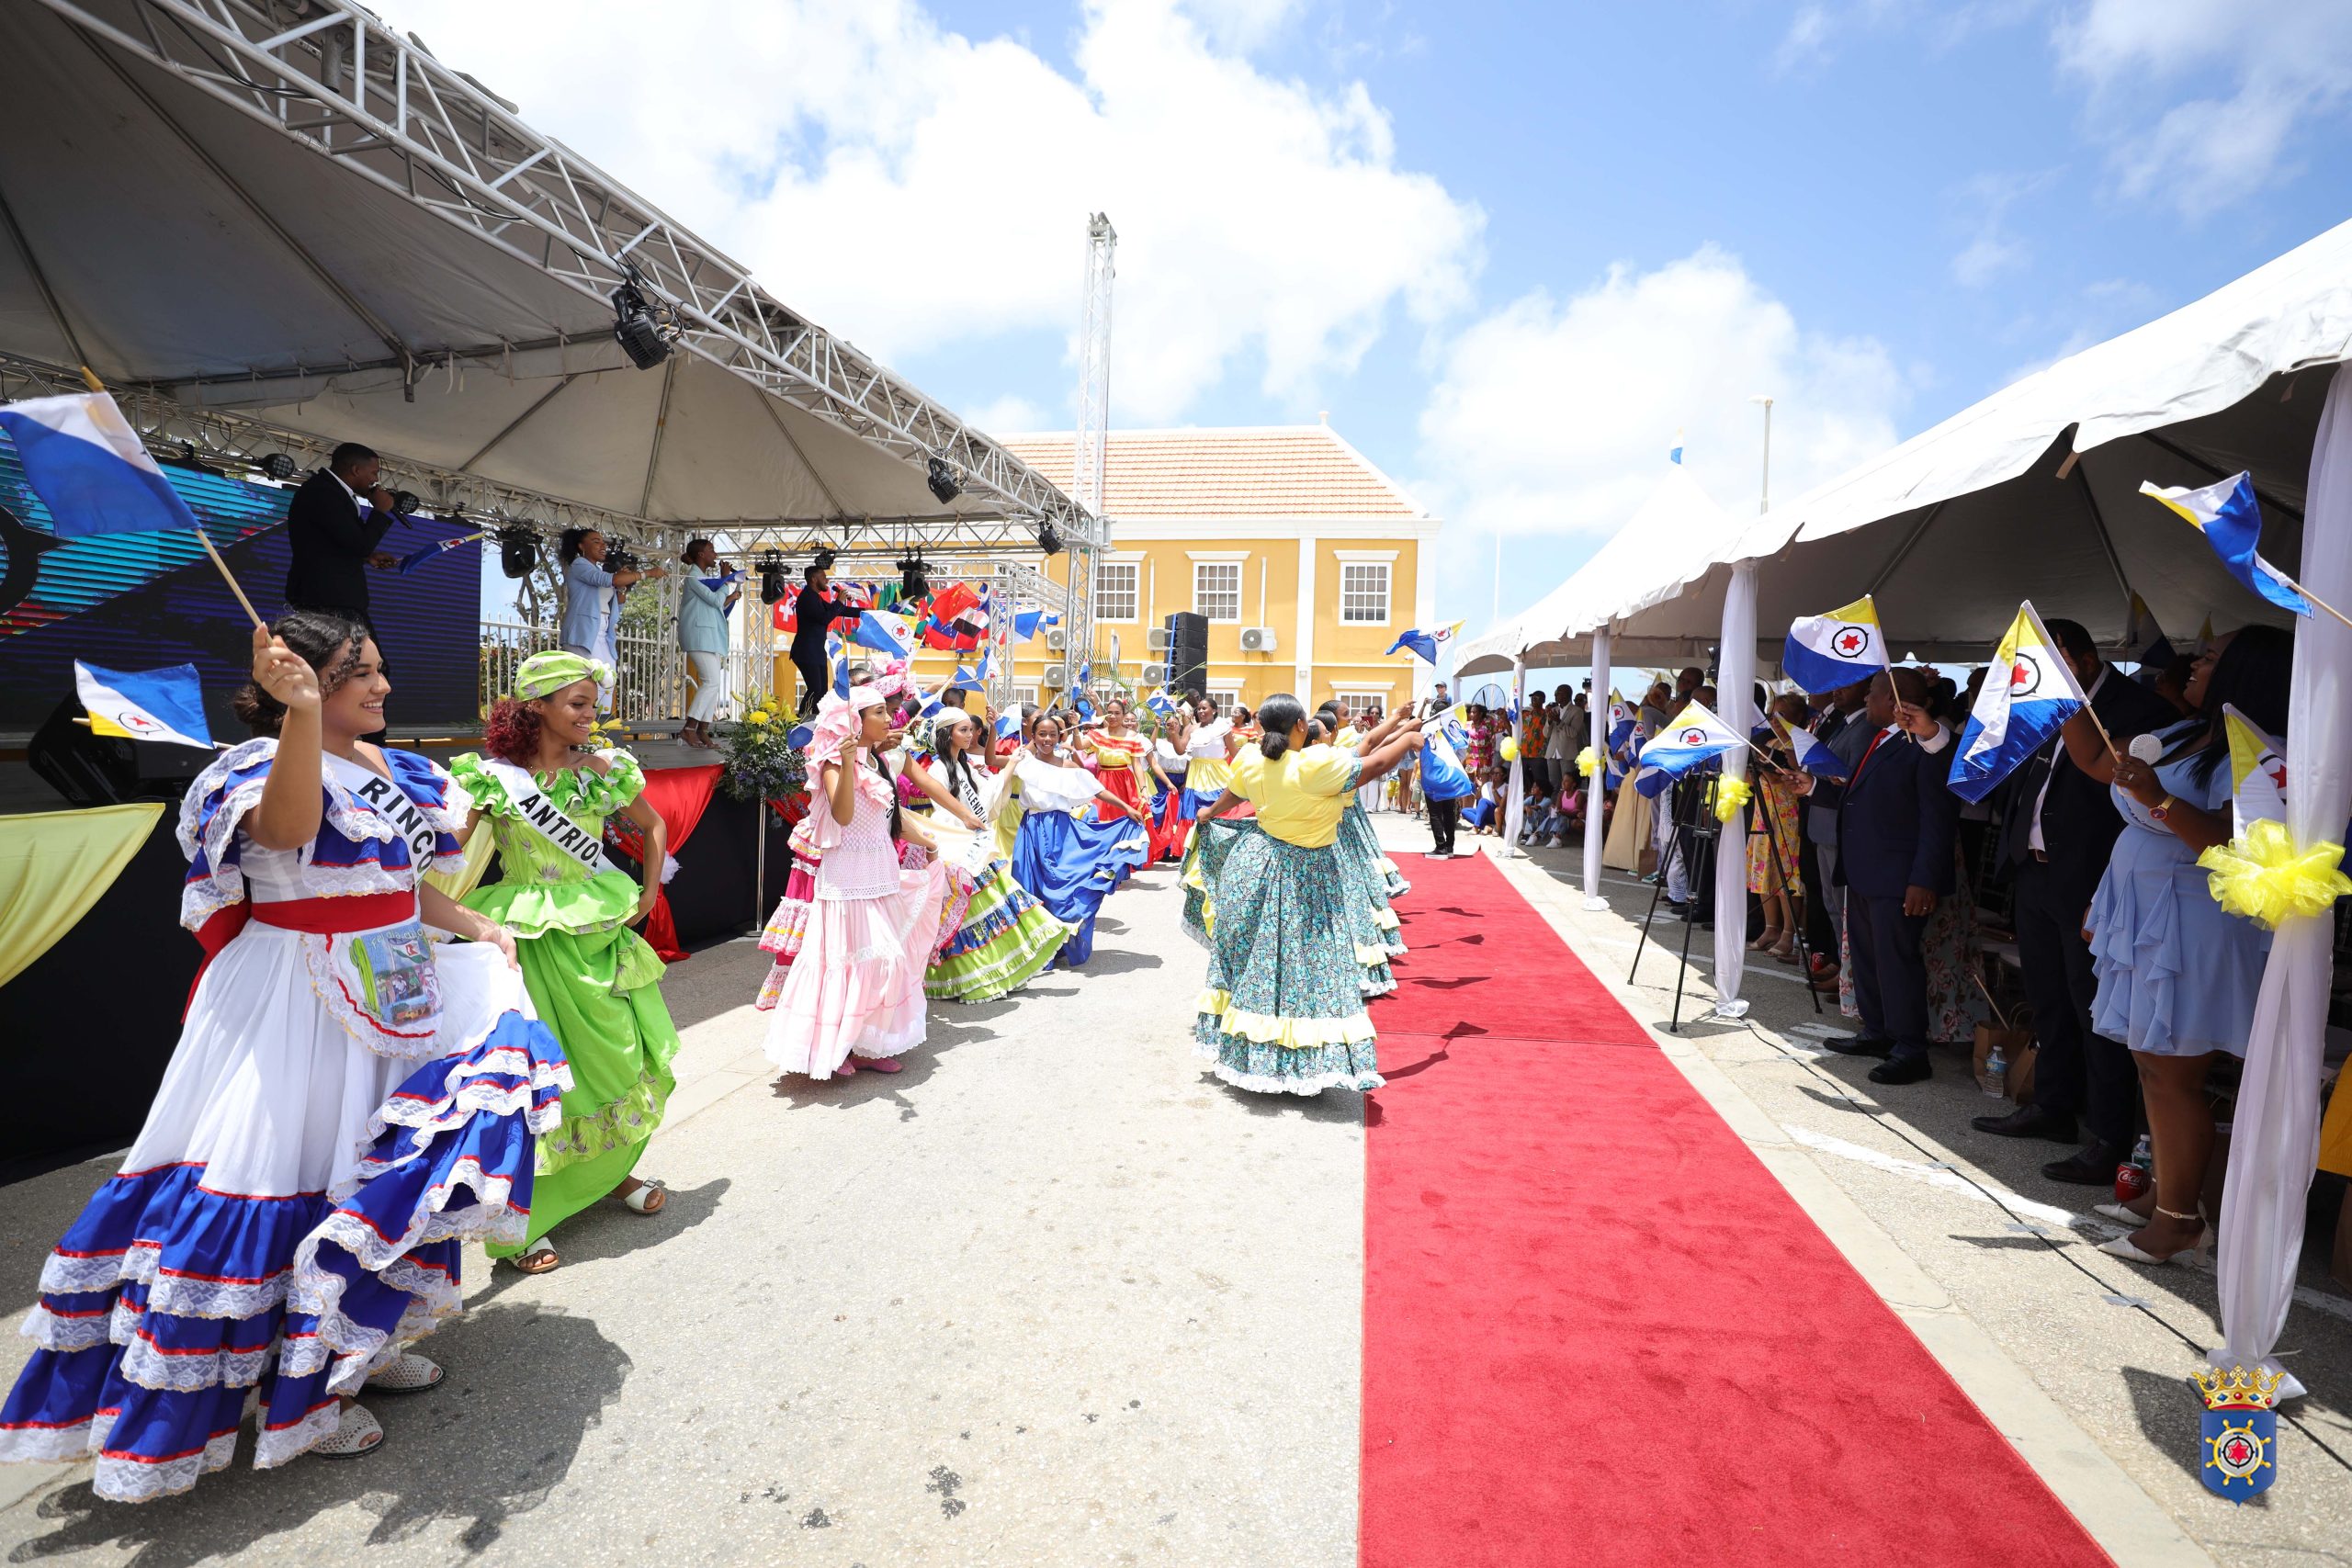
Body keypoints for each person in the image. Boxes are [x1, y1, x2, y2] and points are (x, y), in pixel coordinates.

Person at [2, 614, 571, 1493]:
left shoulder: (399, 769)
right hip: (298, 998)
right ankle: (286, 1394)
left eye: (380, 669)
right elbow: (286, 833)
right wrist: (300, 716)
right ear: (294, 683)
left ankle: (355, 1344)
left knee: (372, 1170)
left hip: (395, 987)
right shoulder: (259, 766)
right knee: (286, 1174)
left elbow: (397, 885)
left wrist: (476, 922)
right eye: (359, 674)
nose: (381, 686)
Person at [2060, 626, 2290, 1264]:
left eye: (2211, 659)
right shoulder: (2192, 734)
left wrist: (2158, 798)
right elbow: (2096, 762)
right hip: (2150, 914)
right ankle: (2167, 1193)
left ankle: (2180, 1221)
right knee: (2152, 1062)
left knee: (2173, 1070)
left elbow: (2233, 844)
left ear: (2246, 674)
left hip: (2195, 922)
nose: (2192, 663)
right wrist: (2061, 695)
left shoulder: (2260, 753)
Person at [450, 653, 681, 1274]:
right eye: (576, 703)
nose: (590, 715)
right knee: (541, 1077)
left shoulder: (604, 771)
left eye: (592, 704)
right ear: (537, 708)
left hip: (594, 929)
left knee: (615, 1058)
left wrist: (651, 892)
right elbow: (448, 851)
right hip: (527, 937)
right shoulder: (491, 778)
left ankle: (609, 1173)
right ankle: (520, 1222)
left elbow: (653, 827)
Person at [1972, 616, 2179, 1182]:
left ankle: (2108, 1137)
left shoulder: (2140, 712)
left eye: (2052, 658)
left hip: (2092, 881)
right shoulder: (2041, 703)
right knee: (2049, 999)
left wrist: (2106, 891)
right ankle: (2052, 1106)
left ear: (2084, 659)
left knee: (2096, 1012)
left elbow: (2129, 804)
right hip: (2036, 872)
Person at [1188, 694, 1421, 1095]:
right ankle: (1301, 1061)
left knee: (1262, 960)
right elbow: (1376, 764)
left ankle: (1256, 1052)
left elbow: (1236, 792)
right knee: (1311, 965)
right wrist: (1409, 740)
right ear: (1301, 726)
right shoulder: (1313, 764)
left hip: (1258, 862)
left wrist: (1212, 811)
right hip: (1306, 873)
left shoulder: (1251, 758)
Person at [760, 672, 954, 1078]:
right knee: (853, 962)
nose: (890, 718)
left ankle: (866, 1043)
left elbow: (890, 821)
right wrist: (847, 762)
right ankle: (840, 1047)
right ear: (855, 722)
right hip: (846, 879)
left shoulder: (878, 760)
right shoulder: (833, 762)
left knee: (883, 960)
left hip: (879, 871)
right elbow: (843, 815)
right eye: (880, 712)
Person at [1815, 668, 1958, 1086]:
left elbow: (1938, 816)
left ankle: (1910, 1048)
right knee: (1868, 958)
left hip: (1899, 876)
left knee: (1897, 963)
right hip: (1866, 870)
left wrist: (1924, 878)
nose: (1866, 702)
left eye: (1873, 695)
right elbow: (1857, 797)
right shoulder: (1883, 738)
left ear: (1898, 702)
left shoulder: (1926, 743)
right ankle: (1877, 1030)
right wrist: (1810, 789)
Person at [911, 709, 1072, 1001]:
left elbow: (986, 797)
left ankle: (999, 969)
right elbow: (971, 806)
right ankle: (971, 976)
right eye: (963, 730)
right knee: (969, 917)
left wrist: (1011, 765)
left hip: (972, 843)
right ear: (947, 733)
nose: (970, 735)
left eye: (970, 730)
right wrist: (1010, 764)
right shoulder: (938, 770)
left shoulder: (964, 766)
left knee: (995, 908)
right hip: (956, 847)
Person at [282, 442, 399, 620]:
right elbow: (360, 545)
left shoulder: (332, 491)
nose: (375, 480)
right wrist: (380, 511)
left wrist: (366, 557)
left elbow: (331, 541)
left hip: (334, 599)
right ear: (356, 470)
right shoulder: (322, 492)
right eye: (374, 472)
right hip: (327, 599)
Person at [559, 530, 663, 712]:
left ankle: (600, 732)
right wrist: (646, 574)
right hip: (583, 632)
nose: (603, 545)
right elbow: (609, 580)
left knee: (608, 682)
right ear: (581, 546)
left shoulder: (595, 570)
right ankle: (586, 733)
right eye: (596, 541)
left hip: (603, 630)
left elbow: (617, 604)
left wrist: (621, 588)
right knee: (591, 683)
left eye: (603, 542)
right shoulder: (579, 565)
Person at [1080, 696, 1177, 861]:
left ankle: (1120, 863)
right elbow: (1078, 746)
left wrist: (1144, 789)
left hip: (1125, 781)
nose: (1112, 716)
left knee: (1124, 819)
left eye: (1117, 713)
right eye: (1109, 713)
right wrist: (1075, 729)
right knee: (1102, 820)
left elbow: (1139, 765)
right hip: (1103, 779)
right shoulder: (1098, 734)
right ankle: (1103, 860)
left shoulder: (1133, 737)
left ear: (1123, 715)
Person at [676, 538, 739, 750]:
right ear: (701, 555)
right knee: (711, 682)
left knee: (713, 683)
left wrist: (729, 596)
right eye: (711, 550)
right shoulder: (693, 576)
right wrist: (725, 580)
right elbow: (714, 601)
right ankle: (689, 728)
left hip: (709, 636)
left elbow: (717, 606)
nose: (716, 554)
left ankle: (703, 730)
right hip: (698, 635)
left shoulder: (702, 577)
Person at [789, 562, 861, 717]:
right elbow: (824, 618)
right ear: (814, 579)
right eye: (824, 577)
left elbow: (838, 610)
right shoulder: (807, 598)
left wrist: (865, 612)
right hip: (806, 651)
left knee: (821, 690)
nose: (827, 580)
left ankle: (815, 720)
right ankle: (800, 720)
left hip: (816, 651)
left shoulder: (816, 597)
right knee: (815, 688)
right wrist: (839, 602)